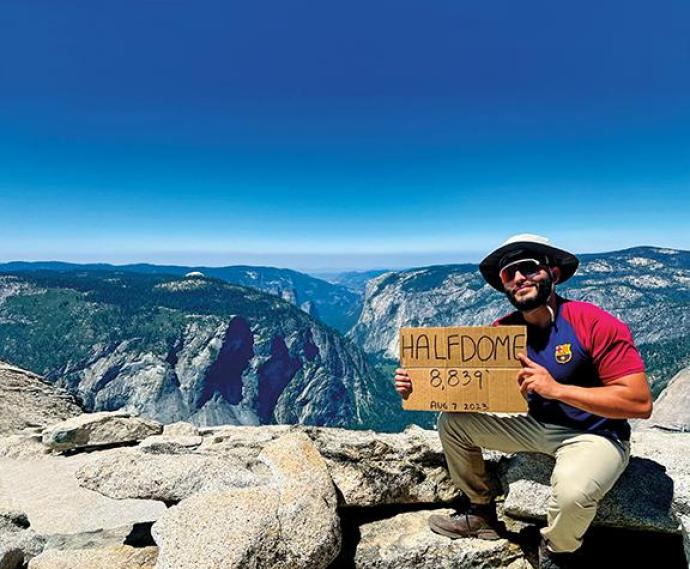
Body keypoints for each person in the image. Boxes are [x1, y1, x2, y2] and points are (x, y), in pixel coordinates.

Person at [394, 234, 652, 568]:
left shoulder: (594, 323)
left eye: (528, 268)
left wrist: (557, 389)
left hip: (595, 434)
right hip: (535, 425)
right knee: (453, 423)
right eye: (508, 274)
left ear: (553, 275)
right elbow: (468, 389)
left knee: (573, 494)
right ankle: (481, 511)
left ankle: (556, 548)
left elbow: (639, 403)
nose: (518, 278)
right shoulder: (503, 332)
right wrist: (420, 386)